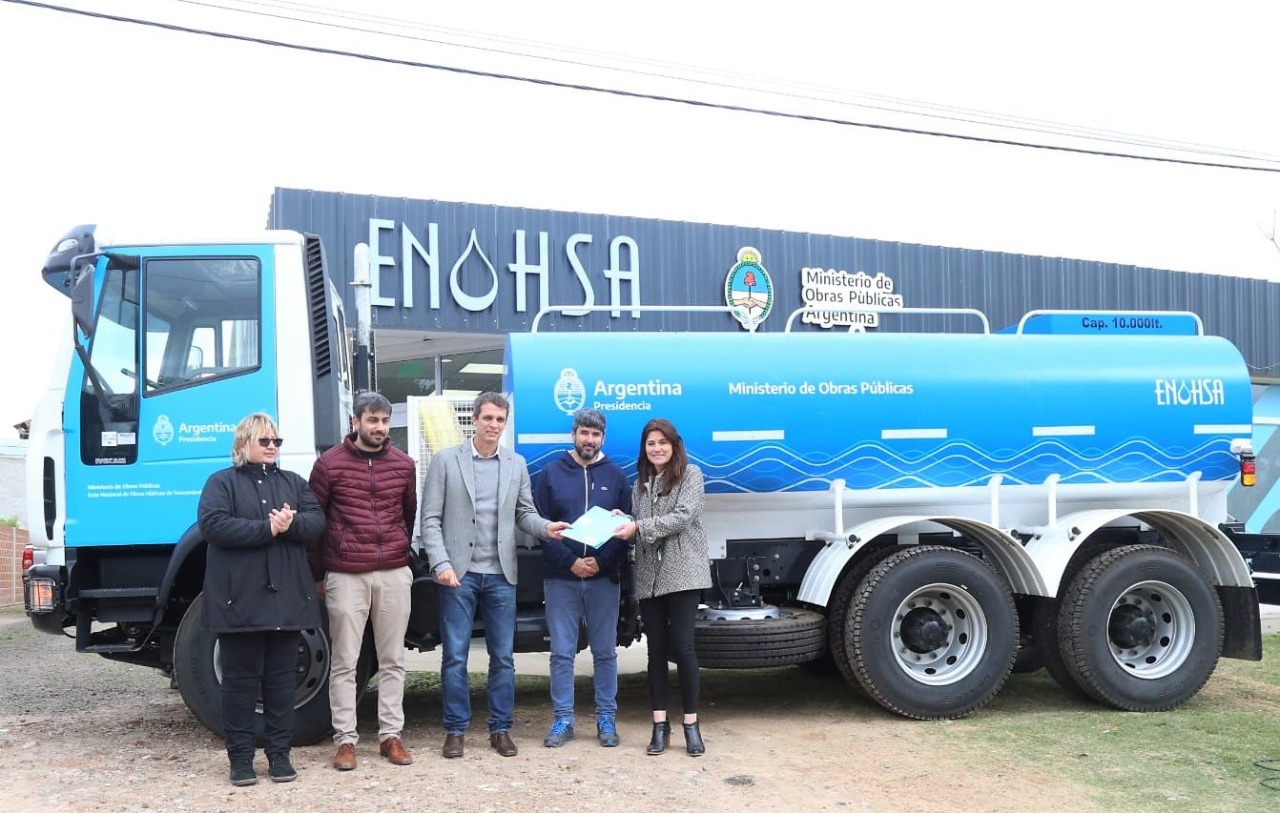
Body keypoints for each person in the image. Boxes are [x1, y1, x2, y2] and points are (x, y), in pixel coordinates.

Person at [421, 392, 571, 759]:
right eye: (487, 418)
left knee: (503, 657)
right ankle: (455, 730)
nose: (493, 425)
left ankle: (500, 729)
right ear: (474, 419)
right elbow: (430, 520)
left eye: (500, 420)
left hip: (502, 575)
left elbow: (524, 513)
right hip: (458, 574)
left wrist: (545, 527)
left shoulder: (515, 464)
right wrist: (441, 564)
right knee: (455, 657)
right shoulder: (445, 461)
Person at [197, 413, 326, 787]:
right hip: (240, 601)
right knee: (239, 683)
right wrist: (267, 528)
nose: (272, 447)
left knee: (281, 683)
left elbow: (317, 521)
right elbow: (213, 525)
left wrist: (291, 524)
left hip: (287, 600)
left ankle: (279, 755)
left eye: (276, 441)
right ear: (244, 444)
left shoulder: (294, 482)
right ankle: (240, 759)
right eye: (264, 441)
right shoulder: (221, 482)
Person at [308, 391, 418, 771]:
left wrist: (398, 550)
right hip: (345, 573)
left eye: (385, 420)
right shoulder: (328, 465)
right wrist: (317, 575)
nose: (380, 427)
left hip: (393, 571)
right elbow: (315, 524)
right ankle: (345, 741)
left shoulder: (404, 465)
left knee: (393, 659)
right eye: (372, 420)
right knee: (345, 661)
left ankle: (391, 736)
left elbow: (407, 514)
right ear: (355, 422)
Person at [533, 408, 633, 748]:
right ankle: (563, 720)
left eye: (595, 434)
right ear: (573, 434)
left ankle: (606, 719)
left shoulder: (616, 476)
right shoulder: (551, 473)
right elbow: (541, 529)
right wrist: (572, 562)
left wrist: (600, 563)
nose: (589, 440)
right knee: (562, 653)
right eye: (584, 433)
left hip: (604, 579)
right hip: (561, 578)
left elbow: (625, 530)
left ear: (603, 438)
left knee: (605, 651)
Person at [614, 418, 711, 757]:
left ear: (674, 445)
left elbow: (683, 516)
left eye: (662, 442)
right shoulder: (639, 484)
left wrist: (638, 526)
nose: (657, 448)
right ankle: (659, 725)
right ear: (644, 448)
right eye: (651, 443)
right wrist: (623, 521)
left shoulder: (691, 475)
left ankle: (691, 725)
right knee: (655, 651)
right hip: (649, 576)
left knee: (683, 648)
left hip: (683, 573)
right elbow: (637, 526)